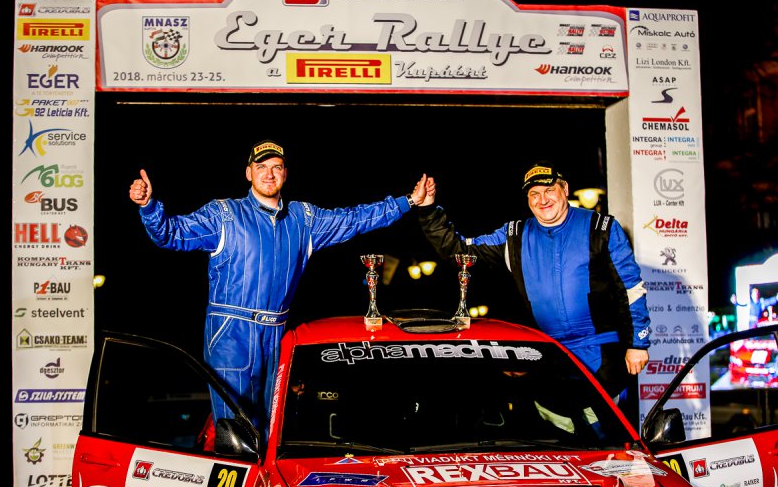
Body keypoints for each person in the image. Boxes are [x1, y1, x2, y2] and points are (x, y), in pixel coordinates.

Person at [129, 139, 428, 434]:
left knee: (275, 431)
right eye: (261, 167)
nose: (269, 174)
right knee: (236, 434)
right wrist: (148, 207)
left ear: (285, 173)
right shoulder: (224, 214)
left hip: (277, 334)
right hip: (231, 333)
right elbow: (171, 233)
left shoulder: (304, 219)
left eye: (276, 167)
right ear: (248, 173)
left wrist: (408, 201)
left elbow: (353, 219)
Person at [417, 161, 650, 400]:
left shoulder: (601, 227)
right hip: (548, 355)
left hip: (601, 354)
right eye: (534, 194)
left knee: (601, 421)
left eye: (549, 190)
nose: (543, 199)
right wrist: (428, 210)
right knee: (553, 420)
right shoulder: (514, 236)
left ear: (565, 189)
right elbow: (460, 251)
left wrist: (637, 344)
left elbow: (630, 288)